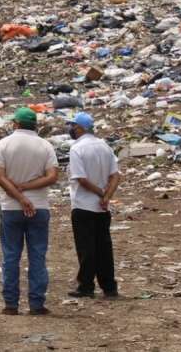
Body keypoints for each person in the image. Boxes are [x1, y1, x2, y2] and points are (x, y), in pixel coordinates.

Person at [0, 107, 59, 315]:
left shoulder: (4, 144)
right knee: (37, 256)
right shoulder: (45, 145)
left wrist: (20, 196)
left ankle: (11, 304)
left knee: (11, 256)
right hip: (39, 207)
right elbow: (52, 176)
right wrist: (27, 192)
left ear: (16, 124)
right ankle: (36, 304)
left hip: (11, 208)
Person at [66, 112, 121, 299]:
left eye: (73, 125)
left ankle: (86, 286)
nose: (71, 129)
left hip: (83, 205)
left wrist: (100, 193)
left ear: (80, 127)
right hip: (102, 208)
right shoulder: (105, 146)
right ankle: (109, 287)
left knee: (86, 248)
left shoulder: (77, 149)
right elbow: (115, 175)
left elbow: (81, 179)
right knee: (104, 247)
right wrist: (107, 196)